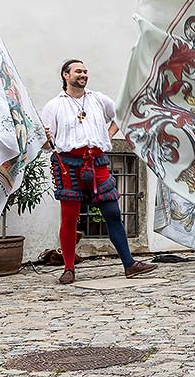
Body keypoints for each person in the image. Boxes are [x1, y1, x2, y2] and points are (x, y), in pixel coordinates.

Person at [41, 60, 157, 285]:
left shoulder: (98, 99)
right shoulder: (53, 106)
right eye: (78, 71)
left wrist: (108, 134)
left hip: (97, 162)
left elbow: (122, 115)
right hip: (68, 164)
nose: (83, 74)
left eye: (85, 71)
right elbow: (47, 145)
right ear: (66, 75)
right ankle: (68, 268)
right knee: (69, 218)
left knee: (113, 213)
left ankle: (129, 264)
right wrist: (46, 139)